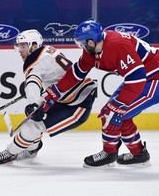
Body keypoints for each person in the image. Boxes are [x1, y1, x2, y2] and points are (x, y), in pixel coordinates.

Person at [43, 19, 158, 167]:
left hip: (153, 78)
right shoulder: (93, 50)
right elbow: (78, 71)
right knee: (116, 113)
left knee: (112, 113)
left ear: (90, 41)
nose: (81, 46)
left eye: (82, 43)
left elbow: (137, 78)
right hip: (142, 77)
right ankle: (138, 153)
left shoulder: (116, 45)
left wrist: (117, 107)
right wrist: (56, 91)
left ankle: (109, 154)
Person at [0, 29, 97, 165]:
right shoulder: (47, 51)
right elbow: (52, 77)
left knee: (32, 125)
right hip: (66, 97)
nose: (20, 51)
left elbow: (33, 80)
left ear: (34, 45)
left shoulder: (36, 62)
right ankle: (32, 149)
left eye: (23, 46)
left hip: (77, 106)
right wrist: (38, 99)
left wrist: (34, 102)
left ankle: (10, 153)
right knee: (35, 120)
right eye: (19, 46)